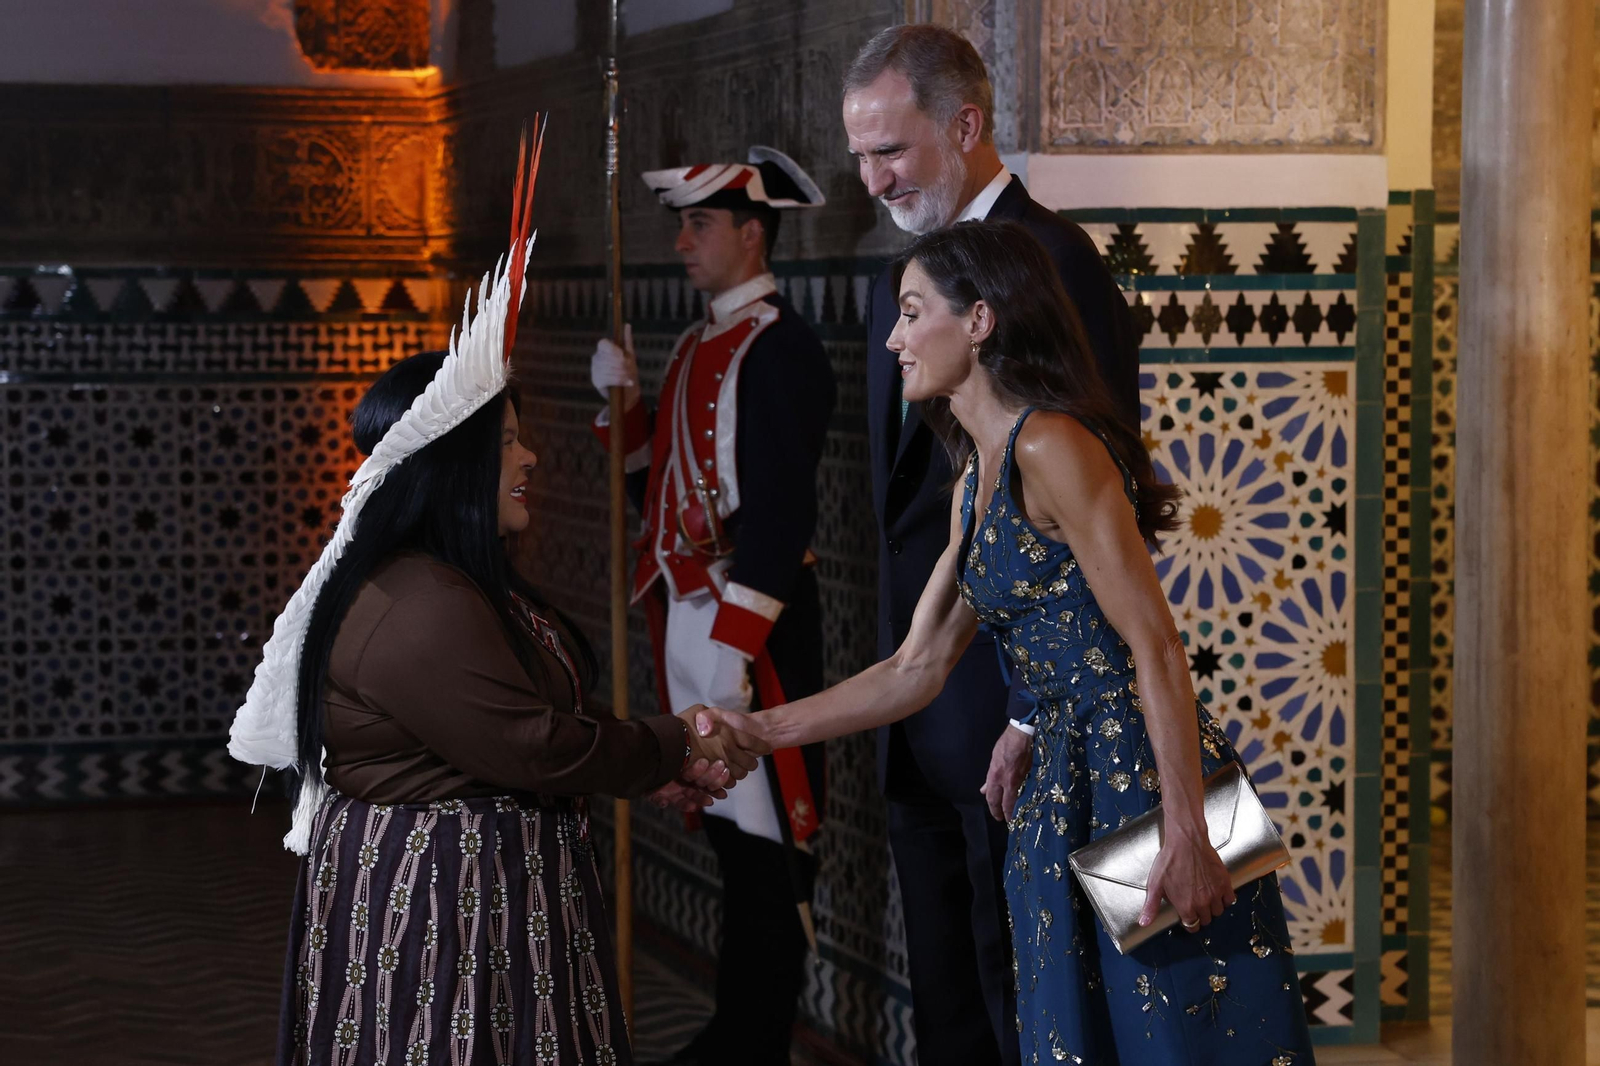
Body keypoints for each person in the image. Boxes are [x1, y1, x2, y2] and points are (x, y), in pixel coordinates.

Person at [730, 221, 1315, 1065]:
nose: (892, 337)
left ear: (979, 321)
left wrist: (1187, 831)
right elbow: (915, 667)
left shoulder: (1052, 443)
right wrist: (762, 730)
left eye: (911, 311)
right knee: (1078, 1042)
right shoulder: (976, 474)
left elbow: (1153, 646)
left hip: (1142, 784)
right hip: (1058, 792)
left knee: (1179, 1043)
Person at [257, 351, 764, 1066]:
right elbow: (536, 745)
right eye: (505, 445)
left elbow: (529, 710)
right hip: (438, 908)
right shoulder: (417, 603)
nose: (530, 458)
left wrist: (646, 763)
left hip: (487, 897)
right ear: (450, 464)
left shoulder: (455, 581)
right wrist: (675, 743)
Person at [839, 24, 1141, 1066]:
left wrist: (1023, 708)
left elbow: (1094, 502)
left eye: (893, 150)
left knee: (1031, 988)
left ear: (965, 126)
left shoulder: (1051, 261)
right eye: (860, 155)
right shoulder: (909, 277)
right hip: (923, 704)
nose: (873, 178)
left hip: (1016, 718)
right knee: (950, 985)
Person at [588, 147, 836, 1066]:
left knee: (772, 850)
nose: (680, 241)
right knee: (732, 841)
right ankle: (737, 1032)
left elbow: (777, 513)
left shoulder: (782, 349)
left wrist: (738, 648)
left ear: (751, 233)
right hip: (691, 618)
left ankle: (755, 1040)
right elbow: (652, 495)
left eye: (699, 225)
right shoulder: (697, 343)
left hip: (755, 623)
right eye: (679, 225)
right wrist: (621, 412)